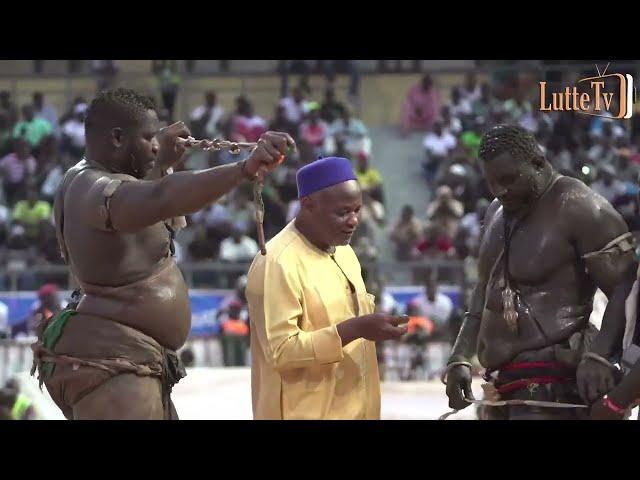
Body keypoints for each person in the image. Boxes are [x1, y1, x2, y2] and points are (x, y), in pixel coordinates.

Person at [30, 88, 294, 420]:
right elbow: (159, 199)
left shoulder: (105, 179)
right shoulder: (90, 186)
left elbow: (144, 202)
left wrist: (159, 160)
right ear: (116, 138)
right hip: (115, 368)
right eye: (147, 137)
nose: (156, 144)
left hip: (129, 363)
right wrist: (242, 169)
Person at [444, 124, 637, 420]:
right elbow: (484, 289)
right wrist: (460, 356)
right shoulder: (496, 210)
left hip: (554, 377)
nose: (499, 190)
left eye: (508, 179)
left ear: (537, 162)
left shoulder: (582, 208)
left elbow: (627, 290)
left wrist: (600, 356)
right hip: (500, 380)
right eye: (491, 182)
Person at [246, 157, 408, 420]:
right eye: (343, 212)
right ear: (308, 204)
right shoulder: (277, 262)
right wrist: (355, 329)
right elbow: (282, 351)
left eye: (357, 210)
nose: (354, 221)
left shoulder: (344, 252)